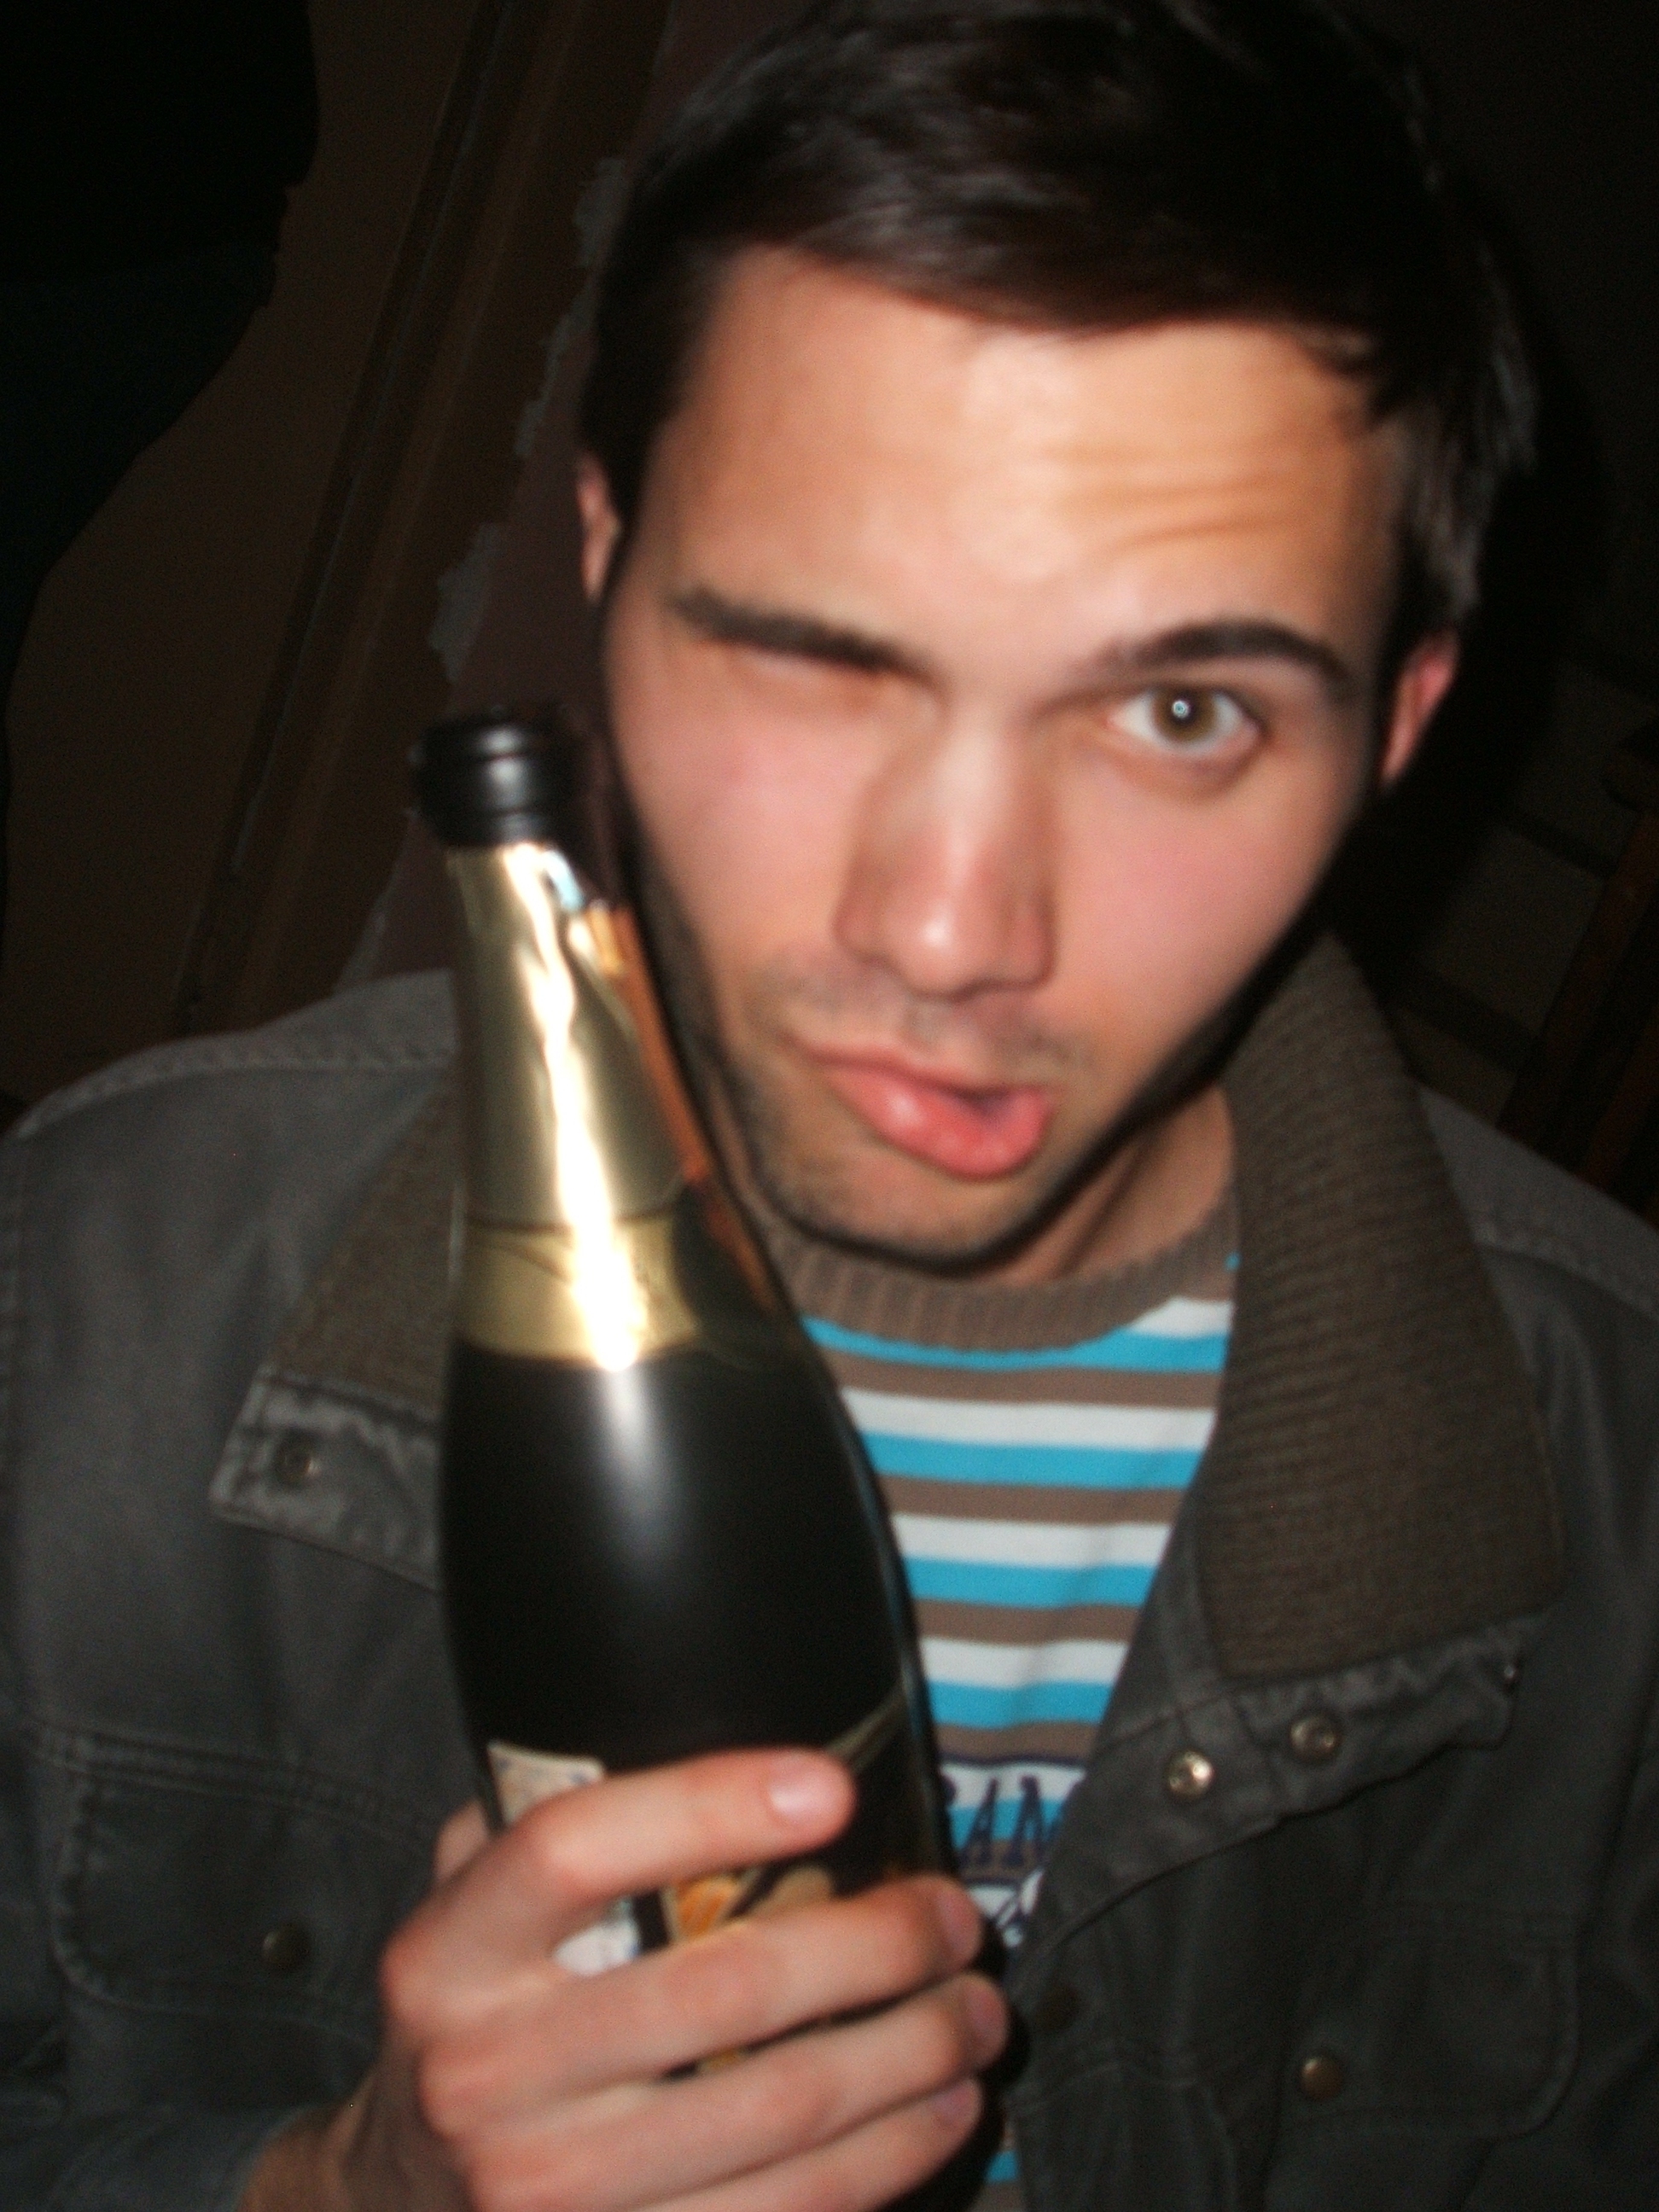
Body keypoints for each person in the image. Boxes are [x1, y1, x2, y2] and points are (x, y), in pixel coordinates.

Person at [2, 3, 1656, 2208]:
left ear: (1401, 726)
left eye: (1180, 709)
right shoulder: (100, 1288)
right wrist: (327, 2189)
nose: (952, 929)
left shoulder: (1623, 1479)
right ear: (606, 570)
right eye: (811, 654)